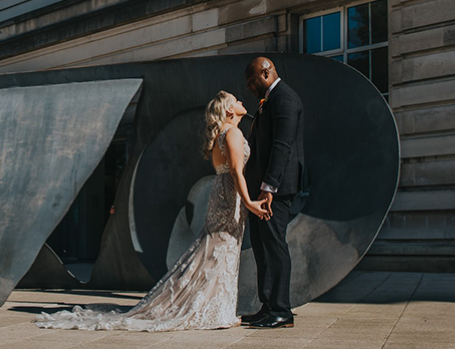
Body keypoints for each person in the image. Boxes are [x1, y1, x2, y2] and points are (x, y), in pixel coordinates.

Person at [36, 91, 270, 331]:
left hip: (222, 193)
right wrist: (250, 202)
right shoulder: (232, 132)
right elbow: (236, 172)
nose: (241, 102)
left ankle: (217, 308)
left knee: (216, 251)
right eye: (236, 100)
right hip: (230, 197)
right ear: (230, 110)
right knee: (222, 250)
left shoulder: (222, 135)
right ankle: (215, 310)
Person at [241, 56, 305, 329]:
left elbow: (282, 146)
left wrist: (268, 188)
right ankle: (267, 305)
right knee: (262, 246)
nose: (250, 88)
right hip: (261, 191)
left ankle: (282, 310)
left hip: (274, 192)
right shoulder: (269, 101)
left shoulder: (285, 99)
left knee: (275, 246)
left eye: (252, 82)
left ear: (265, 73)